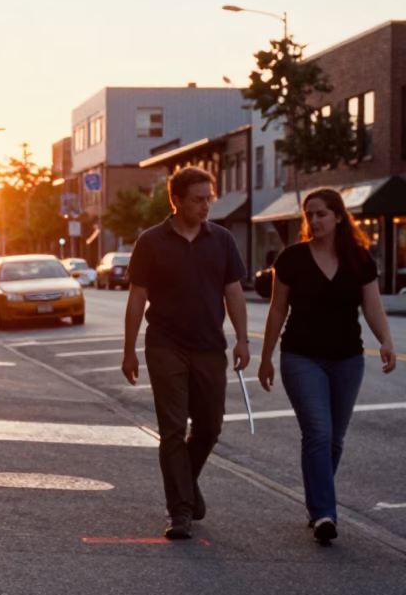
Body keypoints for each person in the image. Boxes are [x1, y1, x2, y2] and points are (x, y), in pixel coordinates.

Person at [258, 188, 396, 545]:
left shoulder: (359, 259)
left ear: (338, 216)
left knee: (334, 439)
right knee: (318, 433)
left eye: (321, 214)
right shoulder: (291, 259)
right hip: (301, 356)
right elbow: (277, 309)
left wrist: (386, 340)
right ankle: (324, 513)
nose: (314, 221)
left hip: (348, 358)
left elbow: (373, 306)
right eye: (309, 215)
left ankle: (317, 503)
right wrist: (266, 357)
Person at [122, 166, 249, 540]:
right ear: (175, 201)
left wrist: (242, 339)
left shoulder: (222, 239)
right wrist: (129, 351)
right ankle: (179, 511)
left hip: (210, 346)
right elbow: (137, 299)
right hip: (165, 345)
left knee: (209, 426)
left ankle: (187, 484)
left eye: (208, 198)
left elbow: (234, 293)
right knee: (173, 430)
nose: (206, 205)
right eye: (198, 199)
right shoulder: (150, 241)